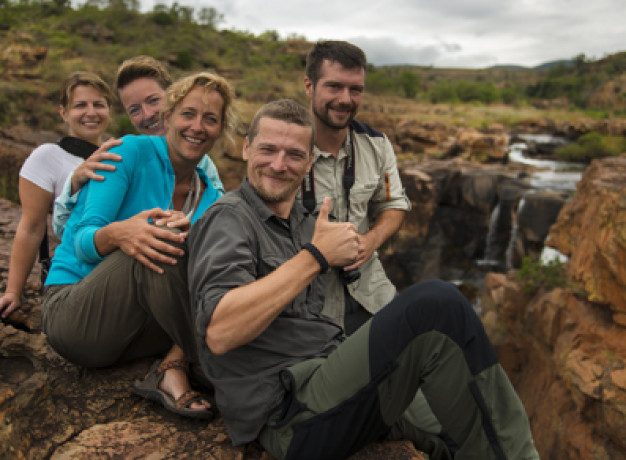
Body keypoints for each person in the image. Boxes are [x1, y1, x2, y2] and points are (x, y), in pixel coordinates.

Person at [188, 99, 539, 459]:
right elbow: (220, 332)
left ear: (309, 163)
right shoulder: (229, 218)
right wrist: (315, 257)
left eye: (294, 155)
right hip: (290, 414)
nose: (279, 165)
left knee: (460, 425)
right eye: (268, 150)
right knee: (437, 304)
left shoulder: (305, 222)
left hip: (333, 379)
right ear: (246, 148)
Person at [42, 72, 237, 419]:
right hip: (77, 312)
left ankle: (174, 365)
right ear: (168, 117)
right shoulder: (129, 152)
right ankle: (231, 370)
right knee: (162, 239)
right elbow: (82, 242)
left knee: (222, 257)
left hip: (146, 330)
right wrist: (120, 234)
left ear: (220, 129)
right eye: (188, 114)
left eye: (210, 119)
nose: (197, 126)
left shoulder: (213, 194)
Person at [299, 40, 410, 335]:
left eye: (355, 89)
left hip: (371, 293)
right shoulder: (283, 149)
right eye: (334, 87)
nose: (345, 99)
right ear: (309, 86)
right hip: (304, 306)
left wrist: (371, 241)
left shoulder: (376, 145)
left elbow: (393, 204)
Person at [52, 55, 225, 238]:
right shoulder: (120, 159)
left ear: (174, 98)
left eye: (153, 101)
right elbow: (63, 229)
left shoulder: (203, 169)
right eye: (134, 110)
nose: (148, 114)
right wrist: (74, 185)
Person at [0, 71, 120, 320]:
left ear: (109, 111)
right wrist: (13, 292)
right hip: (72, 276)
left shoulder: (119, 156)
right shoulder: (47, 156)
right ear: (64, 113)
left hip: (116, 269)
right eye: (80, 105)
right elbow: (31, 227)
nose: (91, 112)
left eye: (99, 104)